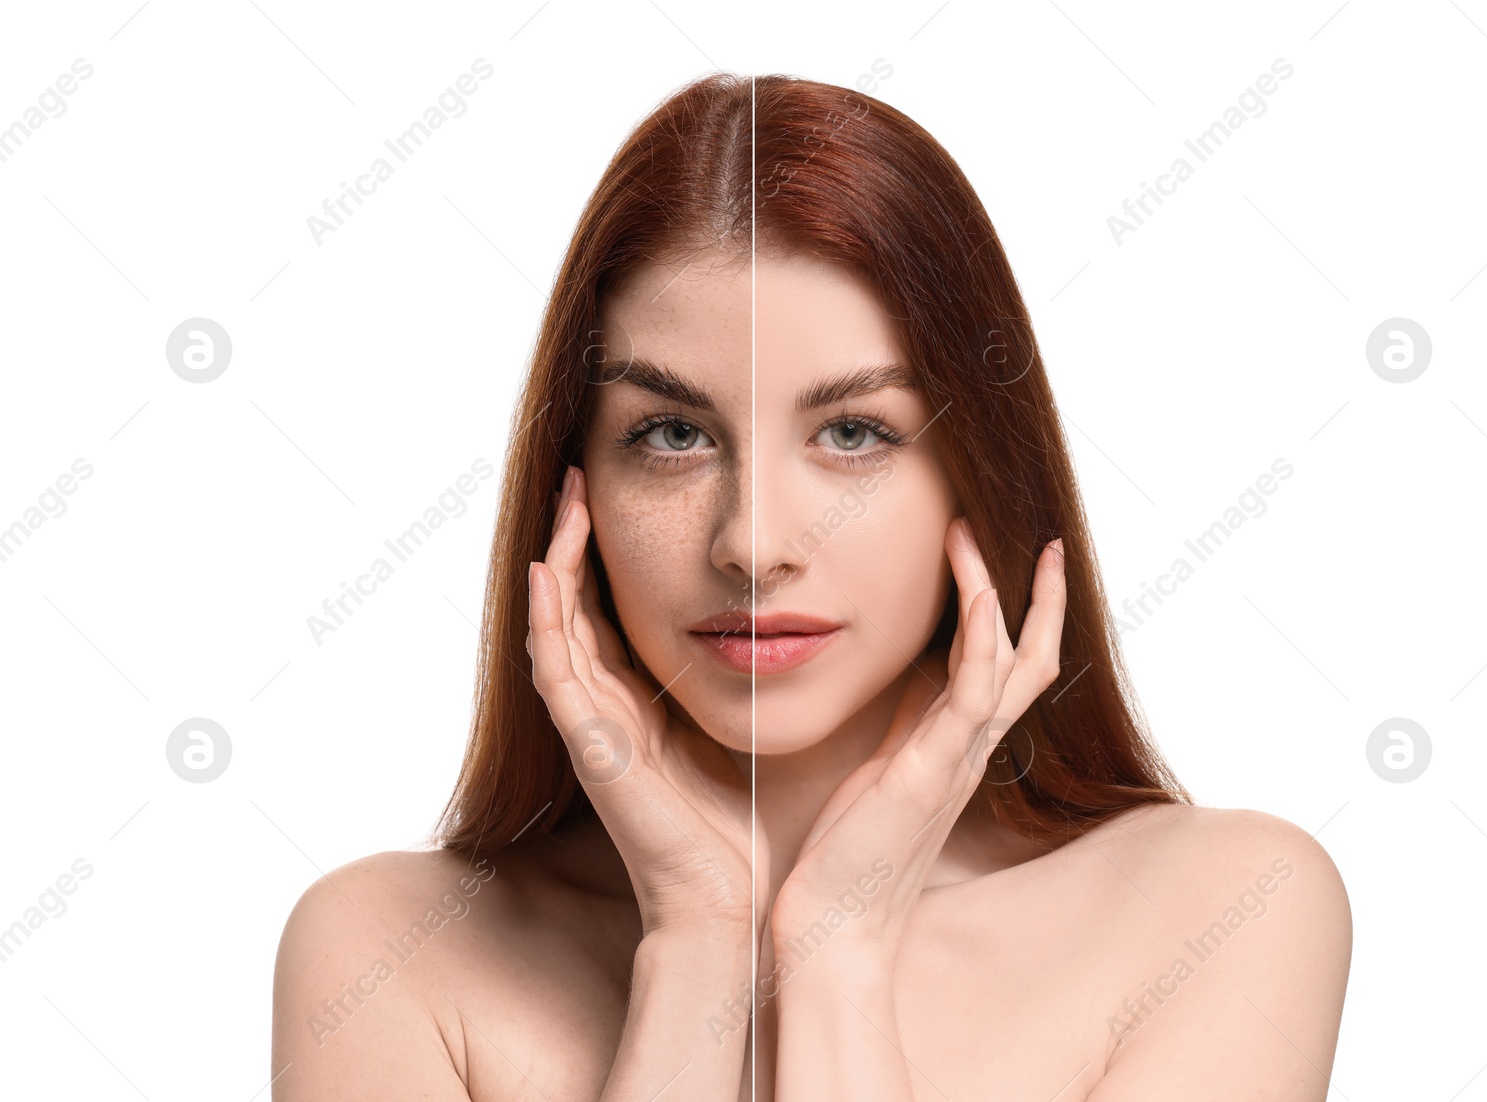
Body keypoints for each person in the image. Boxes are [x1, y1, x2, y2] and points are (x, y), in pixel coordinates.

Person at [271, 72, 1351, 1101]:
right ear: (574, 487)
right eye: (673, 433)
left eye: (852, 432)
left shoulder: (1224, 908)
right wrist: (696, 939)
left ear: (978, 469)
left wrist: (838, 943)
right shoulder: (384, 951)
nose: (754, 543)